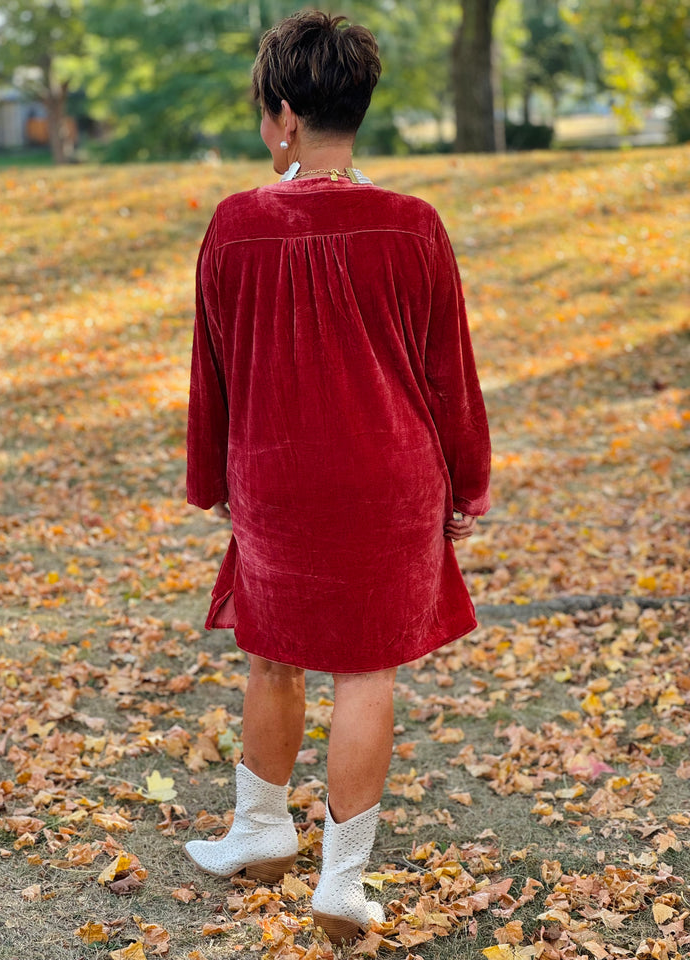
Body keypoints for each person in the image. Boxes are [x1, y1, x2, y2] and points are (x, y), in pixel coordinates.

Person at [184, 10, 491, 944]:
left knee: (270, 650)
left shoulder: (237, 224)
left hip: (276, 478)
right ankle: (341, 883)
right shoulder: (414, 224)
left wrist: (211, 478)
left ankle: (258, 829)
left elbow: (214, 367)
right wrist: (467, 485)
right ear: (355, 107)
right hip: (391, 478)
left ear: (282, 112)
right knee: (366, 671)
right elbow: (451, 372)